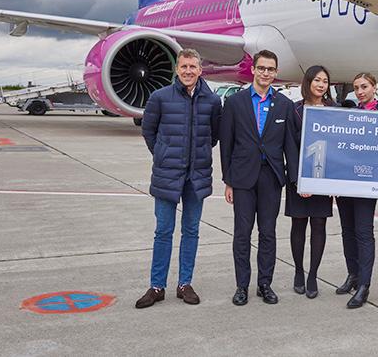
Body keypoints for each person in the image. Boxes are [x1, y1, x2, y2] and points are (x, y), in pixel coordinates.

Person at [135, 48, 221, 309]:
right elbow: (148, 132)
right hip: (167, 174)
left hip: (196, 176)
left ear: (200, 69)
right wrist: (163, 154)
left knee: (191, 231)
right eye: (183, 67)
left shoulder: (212, 101)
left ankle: (185, 283)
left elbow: (214, 135)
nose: (188, 71)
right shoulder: (159, 98)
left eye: (192, 67)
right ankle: (157, 286)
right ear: (176, 69)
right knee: (163, 231)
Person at [219, 50, 299, 306]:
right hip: (242, 179)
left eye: (271, 69)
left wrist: (296, 180)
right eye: (262, 68)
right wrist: (228, 180)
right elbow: (226, 145)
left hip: (271, 178)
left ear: (276, 73)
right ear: (253, 69)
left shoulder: (285, 105)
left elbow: (290, 147)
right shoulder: (235, 102)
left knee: (268, 233)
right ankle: (241, 285)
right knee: (242, 234)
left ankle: (265, 284)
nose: (266, 73)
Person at [336, 72, 378, 308]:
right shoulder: (349, 115)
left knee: (364, 232)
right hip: (347, 182)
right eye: (356, 87)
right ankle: (353, 274)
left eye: (364, 86)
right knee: (347, 230)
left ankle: (365, 285)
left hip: (367, 183)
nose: (360, 91)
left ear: (374, 87)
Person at [287, 65, 336, 299]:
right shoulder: (295, 110)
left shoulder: (333, 110)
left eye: (325, 81)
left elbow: (338, 148)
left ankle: (313, 275)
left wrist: (332, 183)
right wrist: (299, 182)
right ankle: (298, 271)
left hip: (323, 181)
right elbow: (289, 146)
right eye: (317, 80)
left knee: (319, 226)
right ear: (308, 82)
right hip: (300, 179)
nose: (321, 85)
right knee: (298, 226)